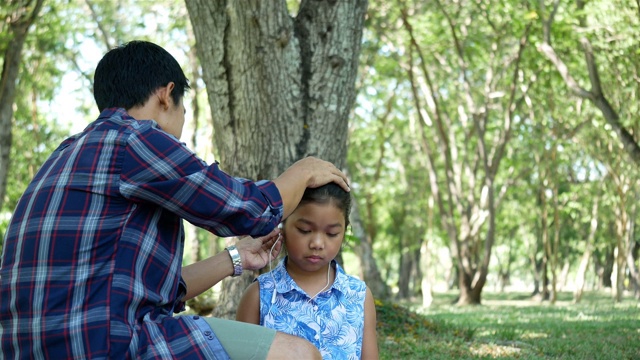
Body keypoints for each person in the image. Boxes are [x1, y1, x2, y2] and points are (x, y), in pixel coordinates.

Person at [0, 40, 351, 360]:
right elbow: (251, 210)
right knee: (298, 354)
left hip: (31, 347)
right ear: (167, 95)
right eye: (184, 111)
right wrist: (303, 172)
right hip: (111, 345)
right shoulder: (136, 140)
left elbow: (154, 292)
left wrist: (236, 258)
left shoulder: (64, 156)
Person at [236, 183, 379, 360]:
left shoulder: (358, 296)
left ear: (344, 232)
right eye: (305, 230)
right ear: (282, 226)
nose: (317, 243)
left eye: (332, 233)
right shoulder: (259, 295)